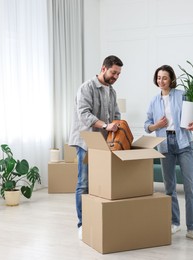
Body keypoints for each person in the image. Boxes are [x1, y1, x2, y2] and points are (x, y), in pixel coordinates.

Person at [144, 64, 193, 242]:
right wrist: (156, 125)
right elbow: (147, 125)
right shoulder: (154, 101)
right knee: (169, 188)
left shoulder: (182, 94)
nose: (161, 81)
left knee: (189, 187)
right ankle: (174, 223)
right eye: (158, 77)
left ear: (171, 79)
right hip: (164, 145)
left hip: (184, 142)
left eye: (164, 77)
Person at [68, 55, 123, 239]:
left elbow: (115, 113)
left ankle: (96, 219)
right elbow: (84, 114)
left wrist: (117, 124)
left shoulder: (112, 91)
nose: (116, 76)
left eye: (118, 74)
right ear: (103, 68)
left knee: (100, 182)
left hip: (104, 142)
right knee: (84, 183)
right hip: (86, 140)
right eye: (113, 72)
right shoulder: (87, 87)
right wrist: (106, 125)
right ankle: (82, 224)